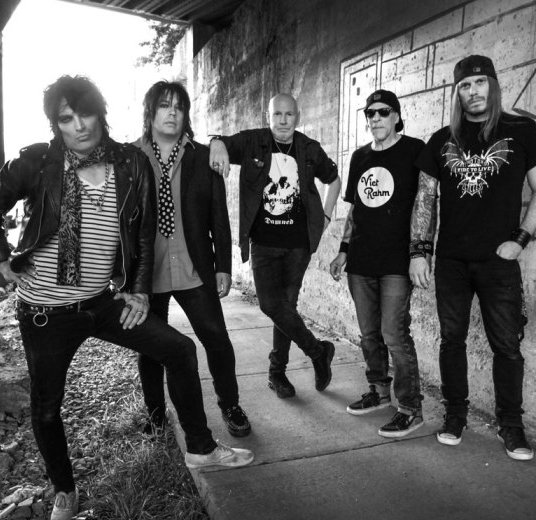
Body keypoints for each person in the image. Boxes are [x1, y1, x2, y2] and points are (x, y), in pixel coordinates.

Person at [0, 75, 254, 520]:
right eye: (66, 118)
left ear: (100, 113)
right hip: (44, 312)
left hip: (101, 302)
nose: (79, 126)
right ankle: (65, 490)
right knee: (47, 406)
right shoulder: (37, 161)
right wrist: (2, 259)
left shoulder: (128, 162)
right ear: (56, 123)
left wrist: (137, 288)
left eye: (85, 114)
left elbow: (141, 233)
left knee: (180, 350)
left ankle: (201, 448)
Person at [410, 55, 536, 461]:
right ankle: (455, 416)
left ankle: (512, 427)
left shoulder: (521, 131)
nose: (472, 92)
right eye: (464, 86)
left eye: (479, 83)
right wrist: (419, 252)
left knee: (507, 346)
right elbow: (425, 198)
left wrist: (519, 241)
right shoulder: (442, 140)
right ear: (457, 93)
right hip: (452, 261)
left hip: (498, 261)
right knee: (451, 340)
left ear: (492, 84)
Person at [133, 81, 250, 438]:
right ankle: (155, 415)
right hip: (147, 272)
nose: (172, 112)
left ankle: (230, 404)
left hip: (194, 267)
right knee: (150, 348)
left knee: (216, 338)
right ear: (150, 112)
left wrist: (224, 266)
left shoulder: (203, 157)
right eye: (164, 105)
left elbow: (219, 216)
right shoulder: (130, 158)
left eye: (179, 107)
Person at [208, 94, 342, 399]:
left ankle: (277, 373)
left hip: (298, 246)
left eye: (288, 114)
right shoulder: (252, 142)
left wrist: (325, 217)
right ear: (268, 117)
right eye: (277, 114)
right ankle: (318, 351)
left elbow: (333, 181)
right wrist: (216, 141)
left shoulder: (309, 149)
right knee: (271, 305)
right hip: (264, 244)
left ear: (297, 116)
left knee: (286, 309)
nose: (283, 120)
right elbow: (221, 144)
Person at [329, 90, 426, 438]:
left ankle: (410, 408)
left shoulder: (415, 150)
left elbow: (426, 203)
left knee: (394, 334)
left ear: (396, 116)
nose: (375, 118)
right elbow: (355, 208)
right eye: (370, 113)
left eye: (383, 112)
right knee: (369, 333)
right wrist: (343, 249)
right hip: (361, 260)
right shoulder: (360, 157)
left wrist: (420, 252)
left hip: (397, 262)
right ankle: (379, 391)